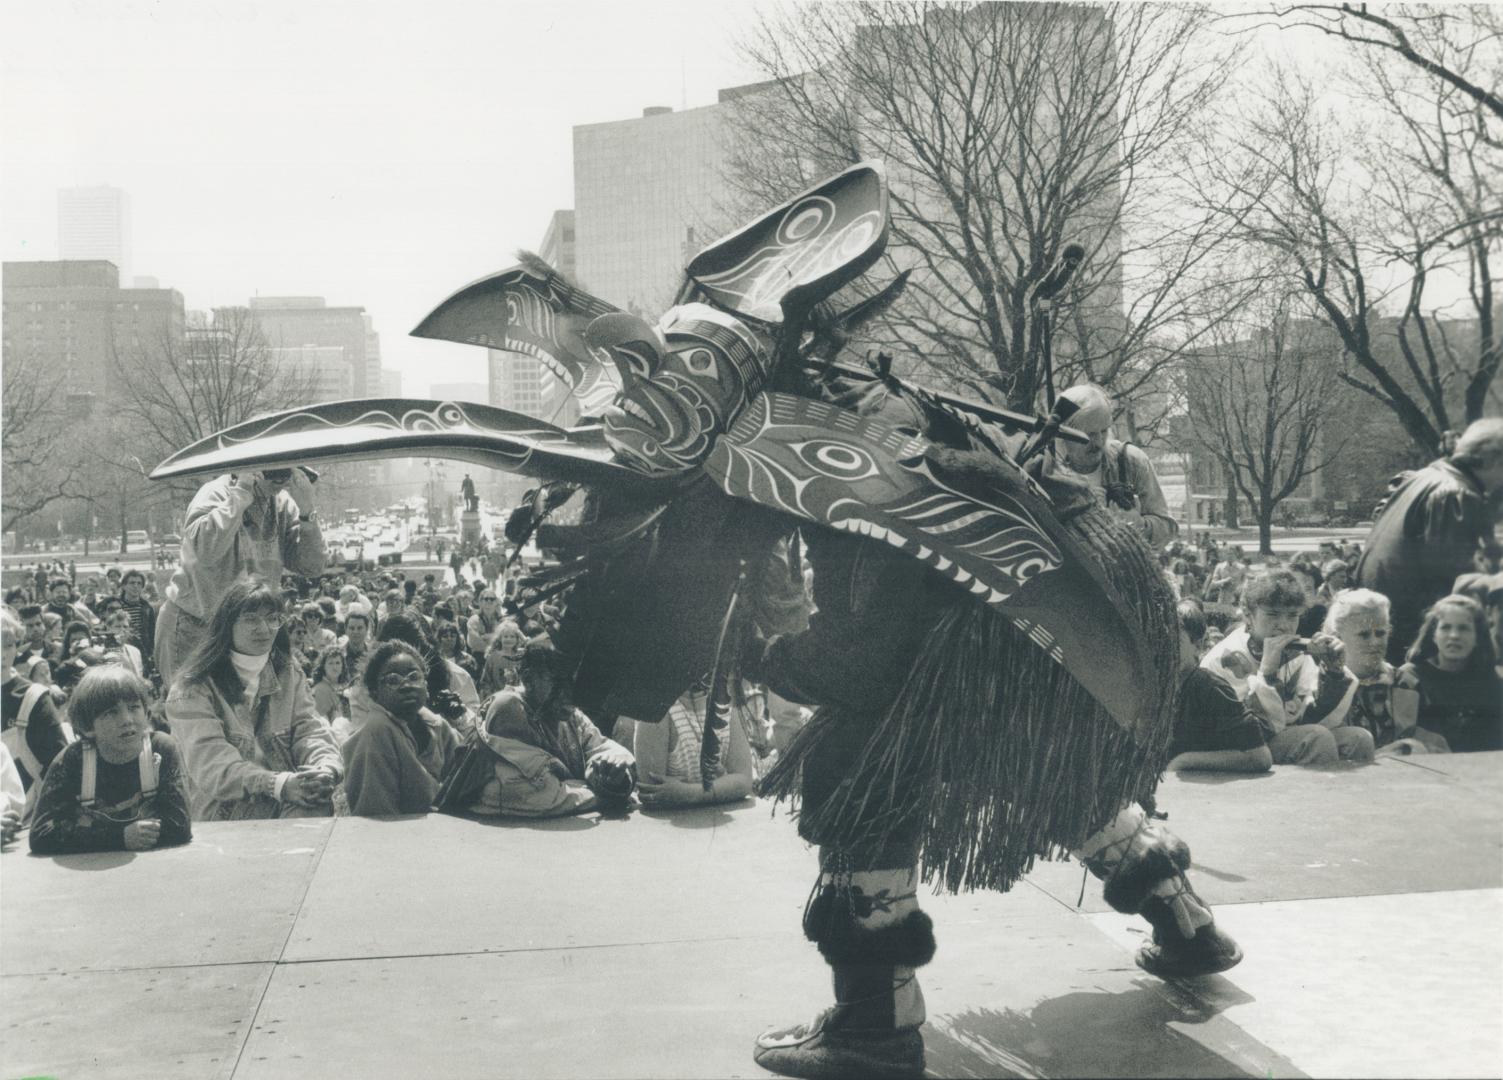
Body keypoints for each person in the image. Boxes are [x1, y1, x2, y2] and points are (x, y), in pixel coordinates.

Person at [166, 577, 343, 820]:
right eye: (251, 619)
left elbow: (310, 729)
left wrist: (325, 767)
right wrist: (276, 783)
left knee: (314, 801)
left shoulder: (288, 672)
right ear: (226, 625)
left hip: (286, 797)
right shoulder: (191, 688)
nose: (264, 628)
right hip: (224, 812)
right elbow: (213, 766)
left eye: (272, 619)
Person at [155, 467, 326, 686]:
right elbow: (205, 550)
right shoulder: (215, 493)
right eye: (274, 468)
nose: (283, 477)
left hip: (245, 631)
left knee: (241, 714)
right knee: (190, 711)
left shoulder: (284, 505)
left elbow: (312, 566)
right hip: (196, 626)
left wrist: (307, 514)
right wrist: (242, 494)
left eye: (290, 467)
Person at [1356, 418, 1503, 661]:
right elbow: (1456, 586)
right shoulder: (1457, 494)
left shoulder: (1422, 478)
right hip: (1414, 640)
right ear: (1494, 461)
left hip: (1382, 624)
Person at [1199, 569, 1374, 766]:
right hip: (1240, 750)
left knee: (1359, 738)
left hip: (1280, 738)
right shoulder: (1225, 657)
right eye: (1273, 614)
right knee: (1316, 738)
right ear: (1249, 616)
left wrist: (1334, 673)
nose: (1283, 625)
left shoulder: (1295, 653)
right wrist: (1267, 673)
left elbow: (1314, 717)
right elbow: (1245, 731)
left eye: (1292, 616)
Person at [29, 665, 192, 855]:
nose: (126, 720)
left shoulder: (162, 750)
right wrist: (118, 837)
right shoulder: (73, 760)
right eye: (111, 712)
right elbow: (41, 834)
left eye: (133, 708)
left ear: (147, 714)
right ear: (88, 725)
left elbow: (179, 826)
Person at [471, 639, 636, 818]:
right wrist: (606, 797)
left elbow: (600, 747)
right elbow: (533, 795)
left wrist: (611, 773)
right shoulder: (509, 706)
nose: (569, 693)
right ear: (528, 679)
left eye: (574, 681)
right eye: (556, 681)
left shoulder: (568, 714)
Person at [1049, 383, 1177, 550]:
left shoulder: (1131, 461)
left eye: (1104, 431)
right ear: (1063, 434)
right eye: (1089, 434)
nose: (1099, 442)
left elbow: (1168, 529)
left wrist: (1138, 524)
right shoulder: (1048, 468)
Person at [341, 641, 461, 816]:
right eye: (393, 680)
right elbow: (377, 814)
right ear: (375, 692)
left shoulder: (436, 725)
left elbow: (464, 779)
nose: (406, 686)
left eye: (414, 677)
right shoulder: (376, 732)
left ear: (426, 685)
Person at [1322, 589, 1445, 754]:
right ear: (1338, 637)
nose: (1375, 642)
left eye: (1380, 633)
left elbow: (1435, 743)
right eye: (1364, 635)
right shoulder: (1324, 684)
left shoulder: (1406, 683)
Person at [1165, 601, 1274, 773]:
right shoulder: (1157, 689)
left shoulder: (1208, 687)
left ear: (1198, 646)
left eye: (1174, 640)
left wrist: (1185, 761)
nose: (1163, 648)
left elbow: (1259, 756)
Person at [625, 677, 756, 808]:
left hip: (718, 818)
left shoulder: (726, 704)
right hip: (670, 822)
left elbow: (744, 781)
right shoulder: (656, 707)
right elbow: (652, 791)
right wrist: (722, 788)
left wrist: (690, 793)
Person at [1399, 595, 1502, 753]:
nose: (1454, 635)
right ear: (1433, 635)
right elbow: (1400, 736)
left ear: (1478, 637)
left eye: (1463, 628)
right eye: (1446, 627)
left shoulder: (1492, 682)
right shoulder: (1410, 678)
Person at [1, 608, 72, 794]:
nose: (2, 654)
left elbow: (58, 766)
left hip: (24, 813)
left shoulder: (33, 697)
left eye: (8, 645)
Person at [117, 570, 158, 680]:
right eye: (132, 583)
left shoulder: (147, 608)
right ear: (124, 586)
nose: (136, 586)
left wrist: (151, 653)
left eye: (139, 583)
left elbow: (152, 633)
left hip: (142, 652)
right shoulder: (115, 605)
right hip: (120, 651)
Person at [310, 645, 349, 725]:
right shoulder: (319, 690)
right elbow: (321, 722)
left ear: (343, 665)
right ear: (323, 666)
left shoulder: (345, 687)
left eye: (338, 663)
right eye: (330, 663)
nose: (334, 667)